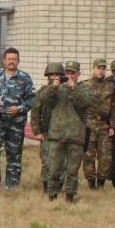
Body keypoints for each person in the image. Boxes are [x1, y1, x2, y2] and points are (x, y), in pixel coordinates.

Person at [36, 61, 95, 202]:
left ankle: (69, 197)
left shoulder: (84, 88)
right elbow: (42, 99)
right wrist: (54, 87)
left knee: (72, 171)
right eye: (67, 73)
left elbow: (87, 102)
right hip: (57, 135)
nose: (69, 75)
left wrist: (74, 89)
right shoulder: (57, 89)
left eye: (72, 73)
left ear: (78, 74)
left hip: (76, 136)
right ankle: (52, 196)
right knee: (54, 169)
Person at [0, 47, 35, 190]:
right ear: (4, 60)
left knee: (14, 155)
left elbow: (32, 99)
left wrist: (19, 109)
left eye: (14, 59)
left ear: (18, 61)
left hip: (16, 125)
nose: (11, 61)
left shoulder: (25, 78)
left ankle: (12, 186)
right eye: (9, 59)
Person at [80, 58, 115, 188]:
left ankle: (101, 183)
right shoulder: (84, 85)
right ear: (93, 68)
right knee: (89, 156)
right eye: (98, 68)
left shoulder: (110, 86)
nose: (101, 71)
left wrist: (113, 126)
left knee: (105, 156)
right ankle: (91, 183)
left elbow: (114, 107)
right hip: (88, 125)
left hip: (104, 125)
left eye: (103, 68)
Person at [30, 62, 63, 191]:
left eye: (58, 75)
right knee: (47, 161)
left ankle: (59, 186)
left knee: (61, 162)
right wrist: (37, 131)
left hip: (62, 133)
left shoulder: (65, 91)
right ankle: (46, 186)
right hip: (46, 132)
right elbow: (35, 112)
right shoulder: (42, 92)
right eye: (52, 75)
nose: (54, 77)